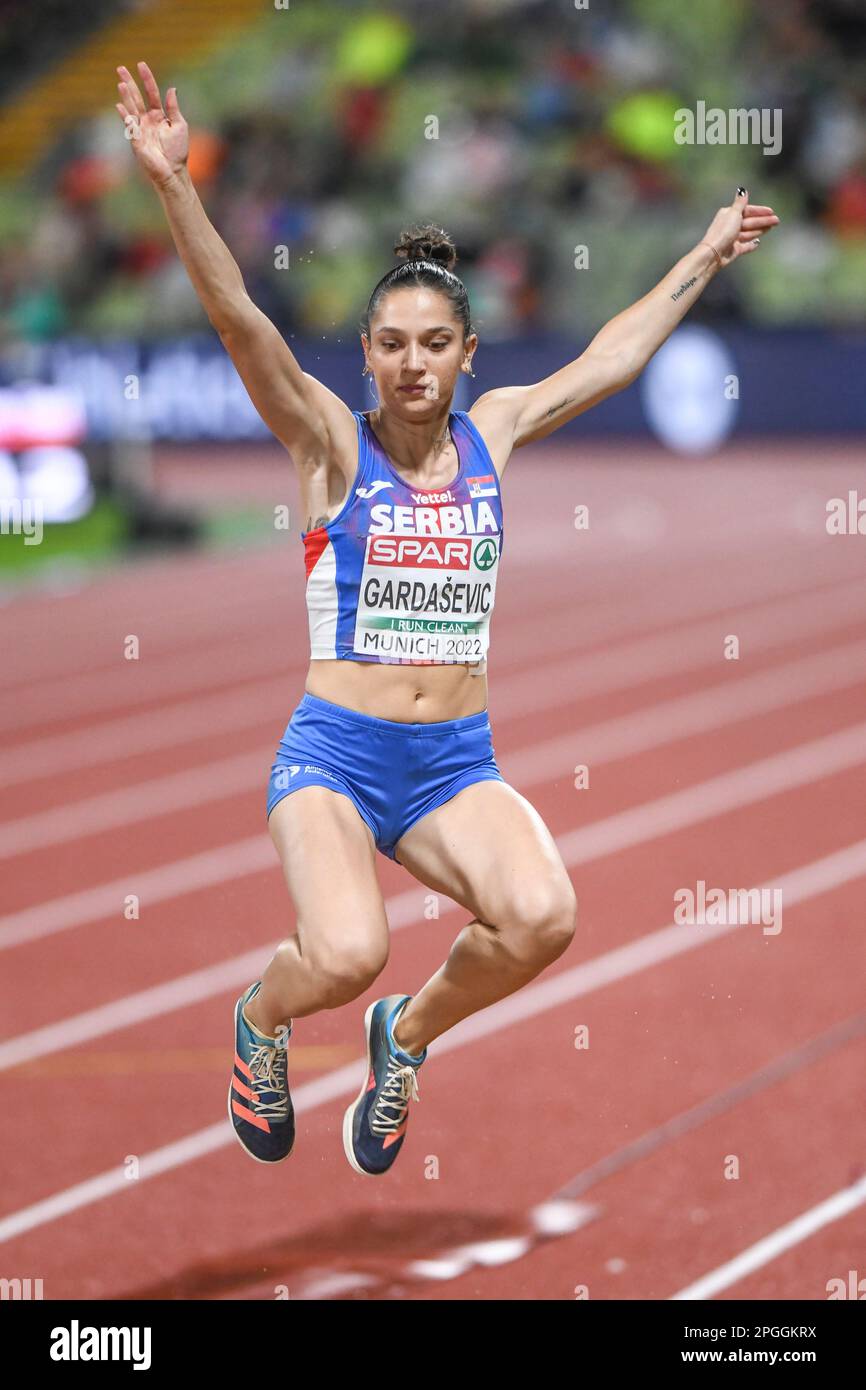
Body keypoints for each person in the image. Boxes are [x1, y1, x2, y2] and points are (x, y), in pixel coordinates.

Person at [115, 61, 780, 1177]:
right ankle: (261, 1022)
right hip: (335, 755)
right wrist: (175, 184)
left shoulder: (496, 431)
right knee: (344, 949)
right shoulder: (330, 442)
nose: (412, 364)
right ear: (365, 355)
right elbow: (238, 319)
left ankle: (403, 1040)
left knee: (541, 917)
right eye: (390, 344)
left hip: (450, 762)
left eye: (434, 344)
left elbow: (612, 359)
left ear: (467, 356)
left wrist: (704, 255)